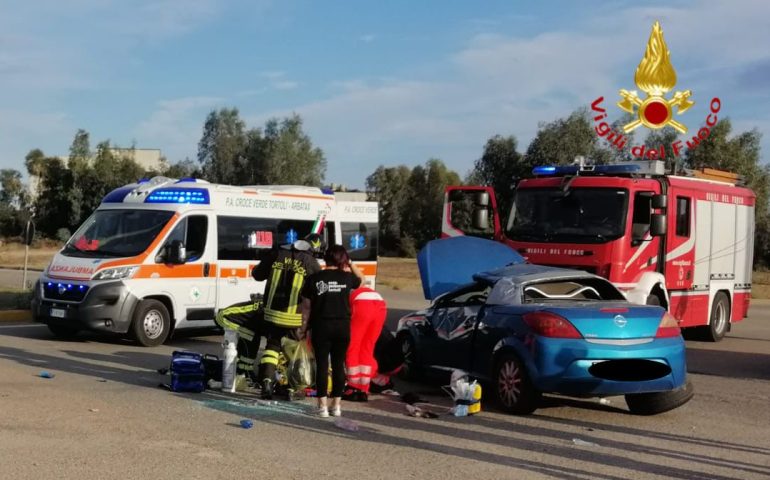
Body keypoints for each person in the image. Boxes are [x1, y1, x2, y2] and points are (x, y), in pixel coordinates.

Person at [252, 233, 323, 399]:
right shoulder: (310, 262)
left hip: (271, 313)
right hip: (295, 317)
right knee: (295, 351)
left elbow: (257, 275)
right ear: (315, 248)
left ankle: (267, 384)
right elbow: (319, 289)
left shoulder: (277, 253)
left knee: (272, 347)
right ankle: (293, 389)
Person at [300, 245, 364, 417]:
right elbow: (362, 280)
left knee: (322, 365)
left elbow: (306, 307)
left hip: (321, 326)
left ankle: (322, 406)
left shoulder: (314, 278)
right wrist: (350, 263)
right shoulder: (348, 277)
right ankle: (336, 405)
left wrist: (303, 328)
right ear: (342, 259)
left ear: (325, 258)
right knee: (338, 365)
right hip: (342, 326)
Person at [343, 286, 387, 401]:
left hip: (362, 303)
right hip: (380, 304)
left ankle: (353, 387)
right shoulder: (352, 286)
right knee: (368, 348)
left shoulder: (340, 293)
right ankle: (363, 389)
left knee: (353, 347)